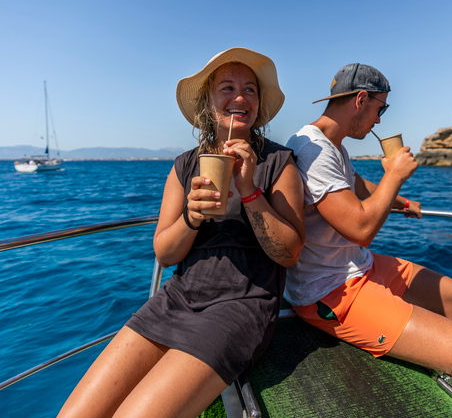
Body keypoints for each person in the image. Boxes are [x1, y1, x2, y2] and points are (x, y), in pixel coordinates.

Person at [58, 48, 305, 418]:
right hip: (177, 298)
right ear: (207, 101)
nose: (240, 98)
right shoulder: (184, 166)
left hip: (241, 305)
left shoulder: (278, 163)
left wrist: (250, 190)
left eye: (250, 90)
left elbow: (289, 254)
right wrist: (190, 217)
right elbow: (165, 253)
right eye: (227, 88)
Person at [284, 63, 452, 389]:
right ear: (361, 99)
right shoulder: (314, 151)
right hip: (329, 291)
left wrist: (403, 203)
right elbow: (362, 230)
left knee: (451, 293)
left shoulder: (333, 145)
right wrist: (394, 175)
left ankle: (444, 373)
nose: (379, 120)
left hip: (356, 267)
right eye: (381, 108)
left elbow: (357, 185)